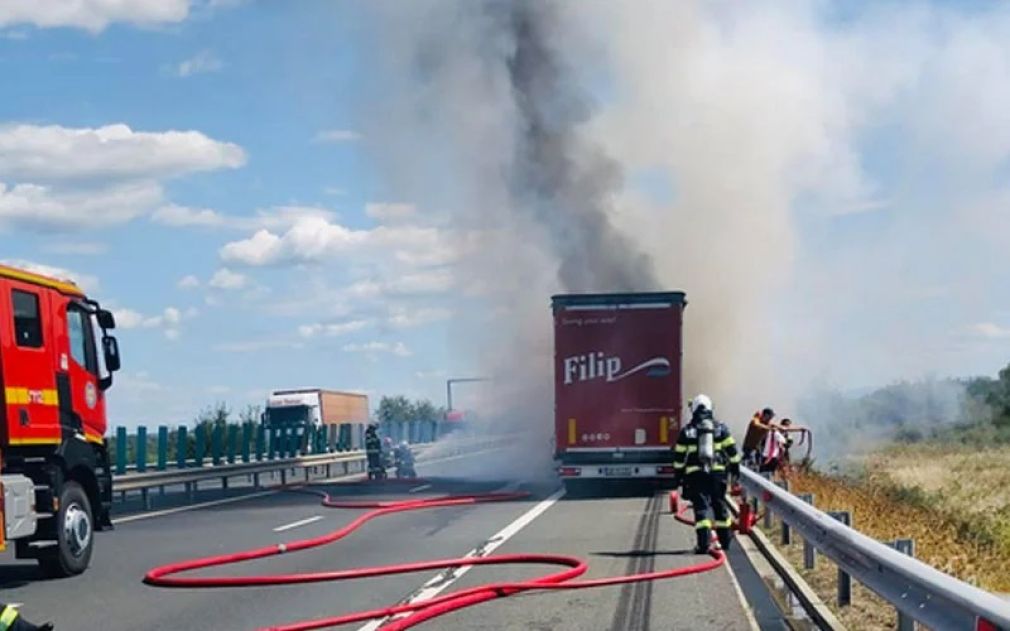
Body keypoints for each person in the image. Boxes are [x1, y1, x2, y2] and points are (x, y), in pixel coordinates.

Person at [672, 394, 743, 554]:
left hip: (696, 476)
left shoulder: (688, 431)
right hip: (718, 474)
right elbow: (732, 452)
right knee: (719, 506)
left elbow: (679, 457)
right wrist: (735, 470)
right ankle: (725, 542)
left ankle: (703, 545)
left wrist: (678, 477)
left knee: (701, 509)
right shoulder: (721, 428)